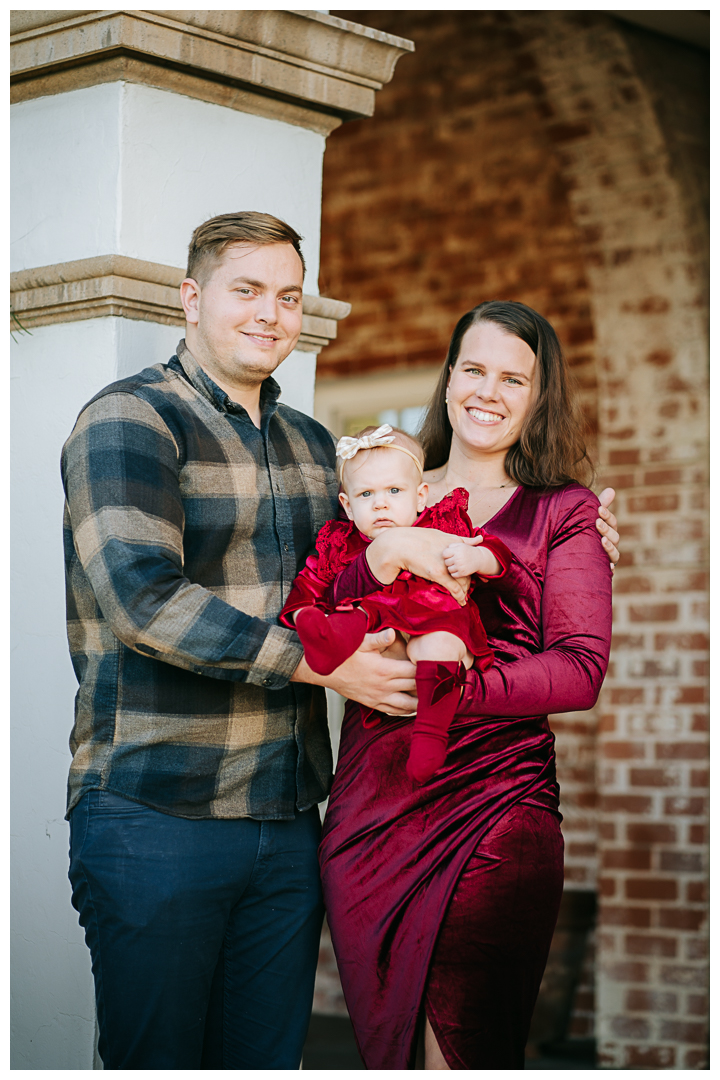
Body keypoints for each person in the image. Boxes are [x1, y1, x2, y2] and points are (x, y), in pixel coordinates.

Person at [62, 208, 620, 1068]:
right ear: (190, 298)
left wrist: (567, 543)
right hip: (166, 808)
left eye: (289, 295)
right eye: (246, 289)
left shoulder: (314, 449)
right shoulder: (138, 422)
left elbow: (538, 631)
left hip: (295, 816)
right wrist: (333, 660)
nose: (270, 313)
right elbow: (145, 600)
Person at [318, 300, 616, 1069]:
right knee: (390, 1056)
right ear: (448, 379)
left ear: (538, 395)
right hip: (369, 814)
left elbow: (580, 670)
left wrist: (447, 690)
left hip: (494, 805)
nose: (489, 390)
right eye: (475, 369)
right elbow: (321, 607)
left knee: (461, 1054)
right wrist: (377, 565)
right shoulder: (383, 489)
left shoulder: (564, 512)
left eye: (514, 378)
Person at [279, 424, 513, 782]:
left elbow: (498, 554)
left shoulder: (440, 525)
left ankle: (431, 734)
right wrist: (302, 615)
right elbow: (307, 586)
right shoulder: (340, 543)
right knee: (357, 620)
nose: (381, 502)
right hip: (380, 642)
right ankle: (328, 640)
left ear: (420, 496)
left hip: (436, 623)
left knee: (440, 642)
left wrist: (477, 560)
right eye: (367, 494)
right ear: (347, 504)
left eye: (393, 490)